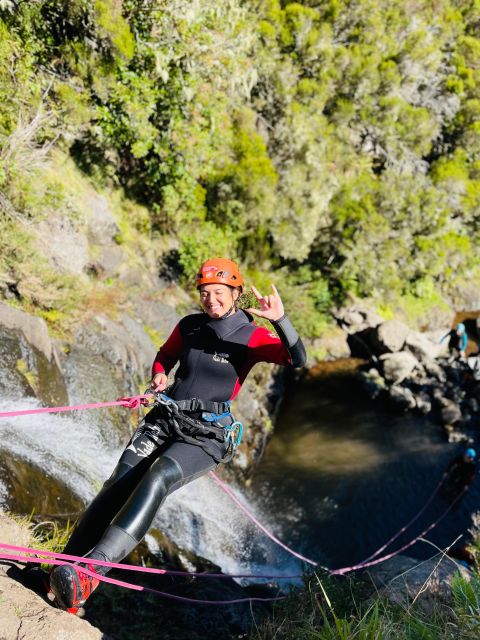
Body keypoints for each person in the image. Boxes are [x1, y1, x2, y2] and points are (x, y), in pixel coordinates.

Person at [48, 257, 306, 612]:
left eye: (218, 292)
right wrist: (158, 376)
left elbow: (297, 359)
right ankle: (62, 573)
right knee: (115, 487)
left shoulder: (251, 335)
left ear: (236, 294)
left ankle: (91, 573)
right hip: (165, 418)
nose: (210, 299)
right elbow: (165, 355)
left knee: (158, 476)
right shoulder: (190, 326)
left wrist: (280, 321)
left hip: (206, 435)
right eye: (204, 293)